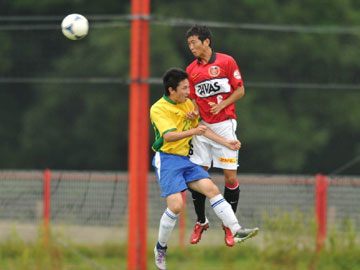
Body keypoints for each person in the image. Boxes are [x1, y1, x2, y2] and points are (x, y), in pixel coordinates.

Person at [151, 67, 258, 270]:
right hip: (167, 160)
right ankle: (161, 248)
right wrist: (193, 129)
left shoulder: (188, 104)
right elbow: (168, 137)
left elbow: (202, 128)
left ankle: (236, 230)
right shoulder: (158, 109)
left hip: (186, 160)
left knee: (212, 190)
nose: (188, 92)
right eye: (184, 88)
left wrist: (226, 142)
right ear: (171, 90)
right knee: (175, 206)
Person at [185, 25, 247, 247]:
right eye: (189, 44)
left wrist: (223, 104)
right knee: (198, 176)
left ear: (206, 42)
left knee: (230, 178)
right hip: (202, 128)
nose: (191, 47)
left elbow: (240, 90)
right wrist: (194, 111)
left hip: (225, 125)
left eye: (194, 42)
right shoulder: (191, 70)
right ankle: (201, 221)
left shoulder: (226, 62)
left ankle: (229, 226)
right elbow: (193, 101)